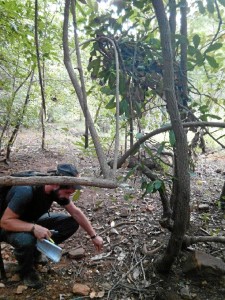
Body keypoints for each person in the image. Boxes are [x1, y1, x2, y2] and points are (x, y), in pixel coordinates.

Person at [0, 164, 103, 288]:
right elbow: (5, 221)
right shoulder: (25, 191)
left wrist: (93, 236)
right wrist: (33, 228)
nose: (68, 196)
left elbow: (75, 212)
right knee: (26, 240)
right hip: (7, 226)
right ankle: (26, 272)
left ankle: (36, 251)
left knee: (71, 223)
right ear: (56, 184)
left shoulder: (56, 191)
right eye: (67, 192)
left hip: (30, 220)